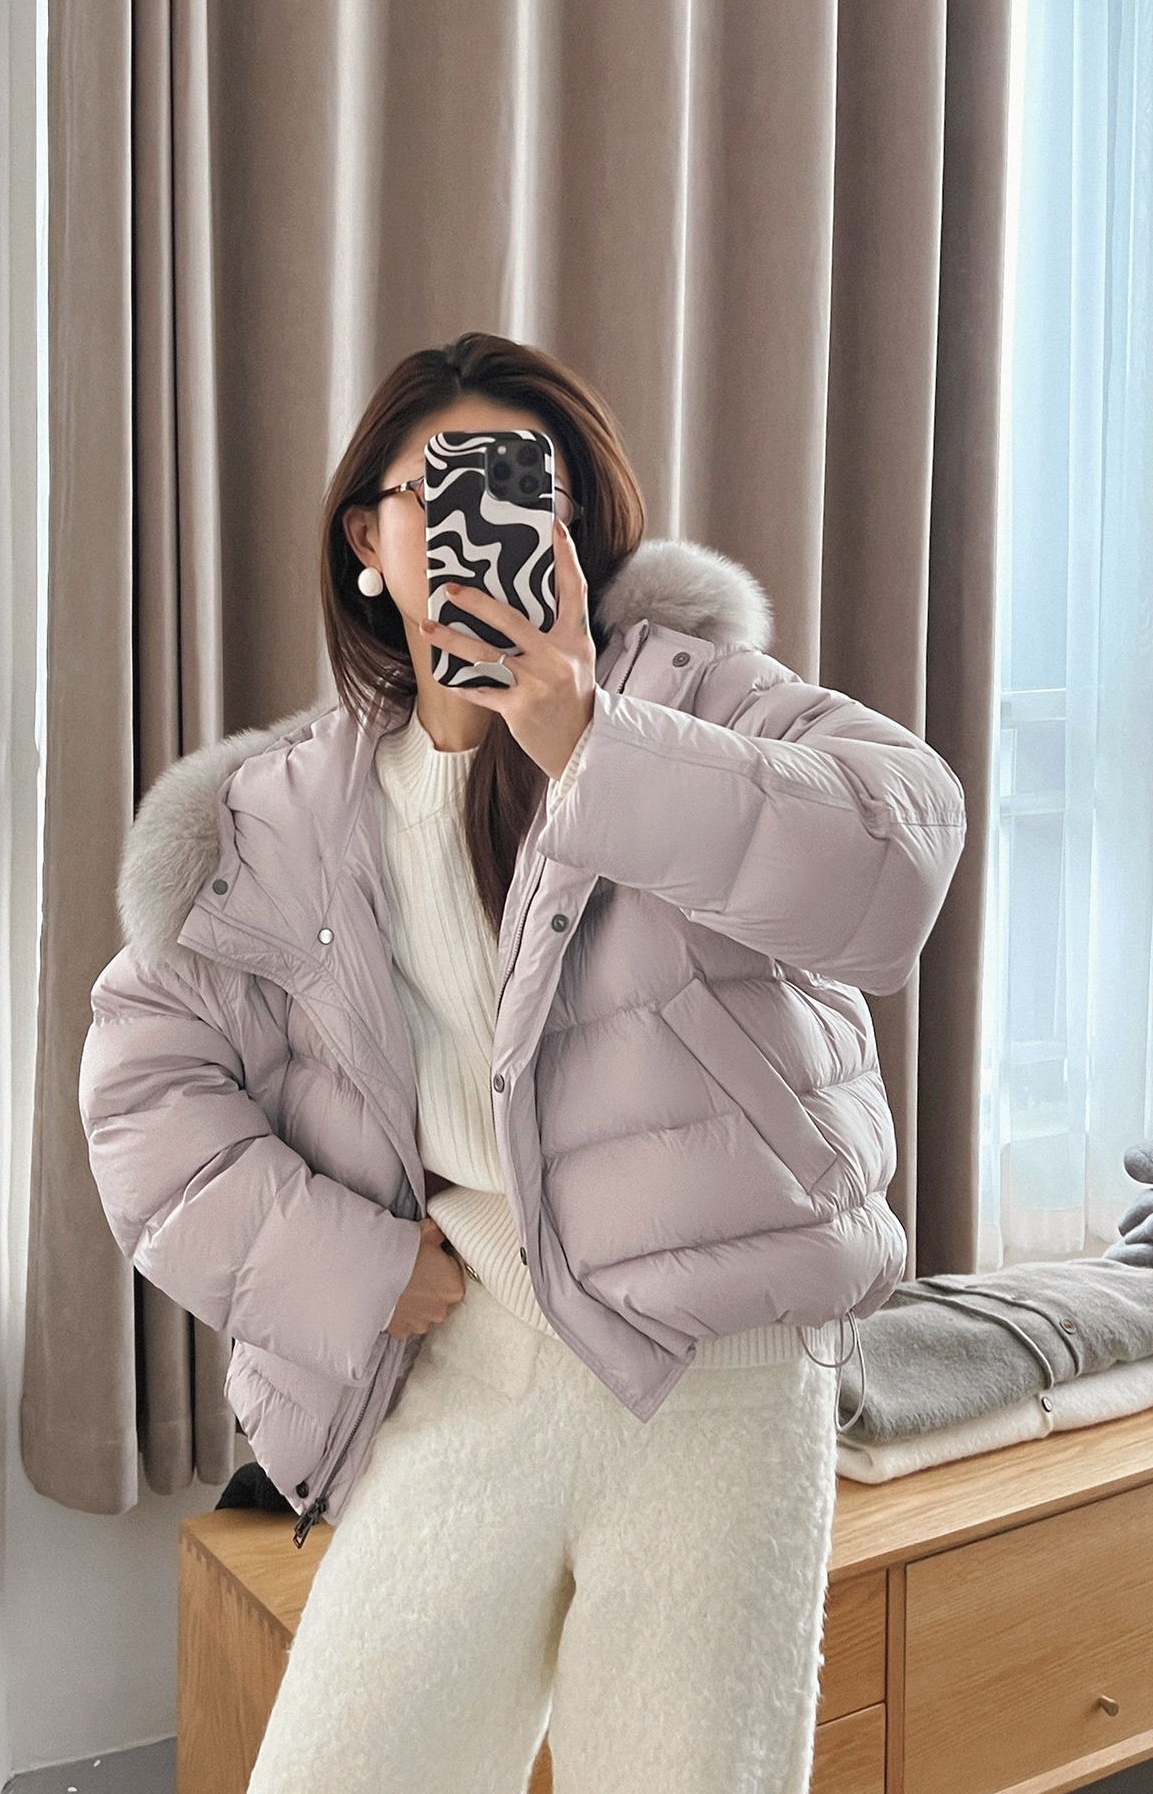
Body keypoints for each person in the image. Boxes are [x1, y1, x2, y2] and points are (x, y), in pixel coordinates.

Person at [80, 333, 966, 1793]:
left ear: (574, 528)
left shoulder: (697, 702)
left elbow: (896, 861)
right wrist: (354, 1267)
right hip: (457, 1368)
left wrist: (590, 738)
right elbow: (141, 1092)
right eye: (435, 495)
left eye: (520, 491)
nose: (477, 526)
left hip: (714, 1378)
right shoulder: (279, 818)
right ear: (368, 543)